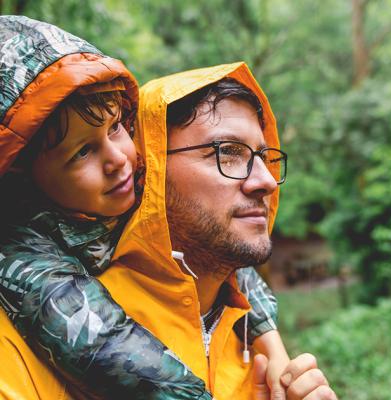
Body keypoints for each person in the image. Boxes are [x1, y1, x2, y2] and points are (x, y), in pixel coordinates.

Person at [0, 16, 302, 400]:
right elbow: (101, 341)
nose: (120, 159)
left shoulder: (131, 196)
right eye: (82, 152)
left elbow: (237, 270)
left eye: (116, 128)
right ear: (24, 176)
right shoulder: (21, 252)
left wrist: (273, 347)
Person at [95, 63, 337, 399]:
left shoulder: (258, 349)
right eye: (228, 152)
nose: (265, 181)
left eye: (265, 157)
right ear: (149, 169)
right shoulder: (49, 338)